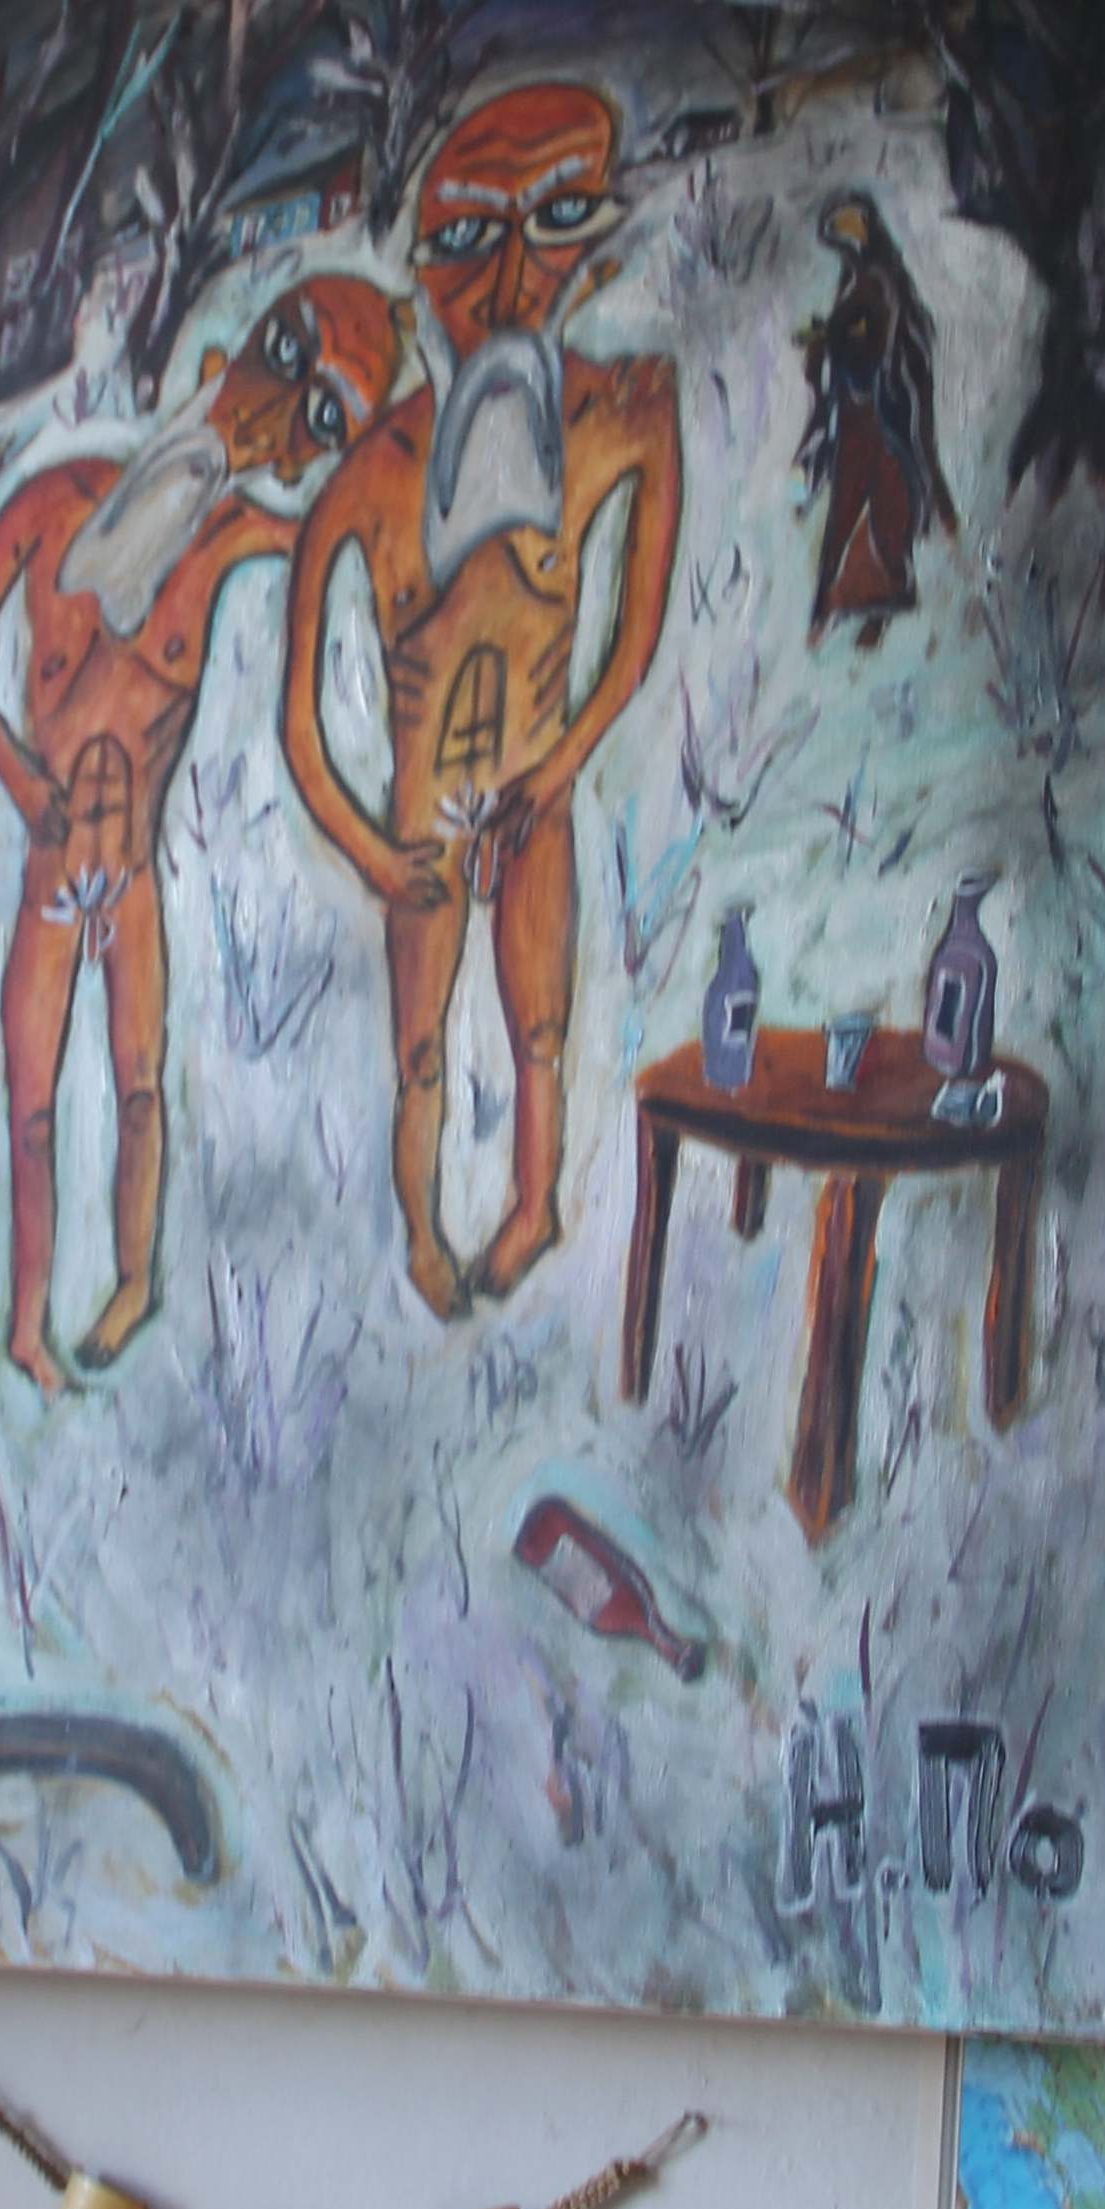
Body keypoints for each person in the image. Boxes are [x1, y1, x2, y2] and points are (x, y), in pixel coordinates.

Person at [0, 277, 406, 1383]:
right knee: (32, 1110)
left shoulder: (232, 535)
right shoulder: (54, 504)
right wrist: (23, 785)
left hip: (130, 872)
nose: (276, 415)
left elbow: (346, 525)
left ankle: (133, 1285)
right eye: (286, 353)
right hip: (53, 868)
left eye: (321, 416)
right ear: (225, 359)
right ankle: (28, 1326)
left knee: (141, 1090)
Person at [279, 85, 684, 1315]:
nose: (510, 280)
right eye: (465, 237)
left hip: (533, 793)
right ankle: (422, 1237)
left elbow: (633, 639)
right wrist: (370, 853)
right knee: (419, 1052)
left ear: (596, 240)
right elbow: (300, 725)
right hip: (423, 822)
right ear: (420, 267)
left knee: (540, 1027)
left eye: (555, 220)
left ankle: (533, 1207)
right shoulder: (367, 480)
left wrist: (552, 776)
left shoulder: (623, 416)